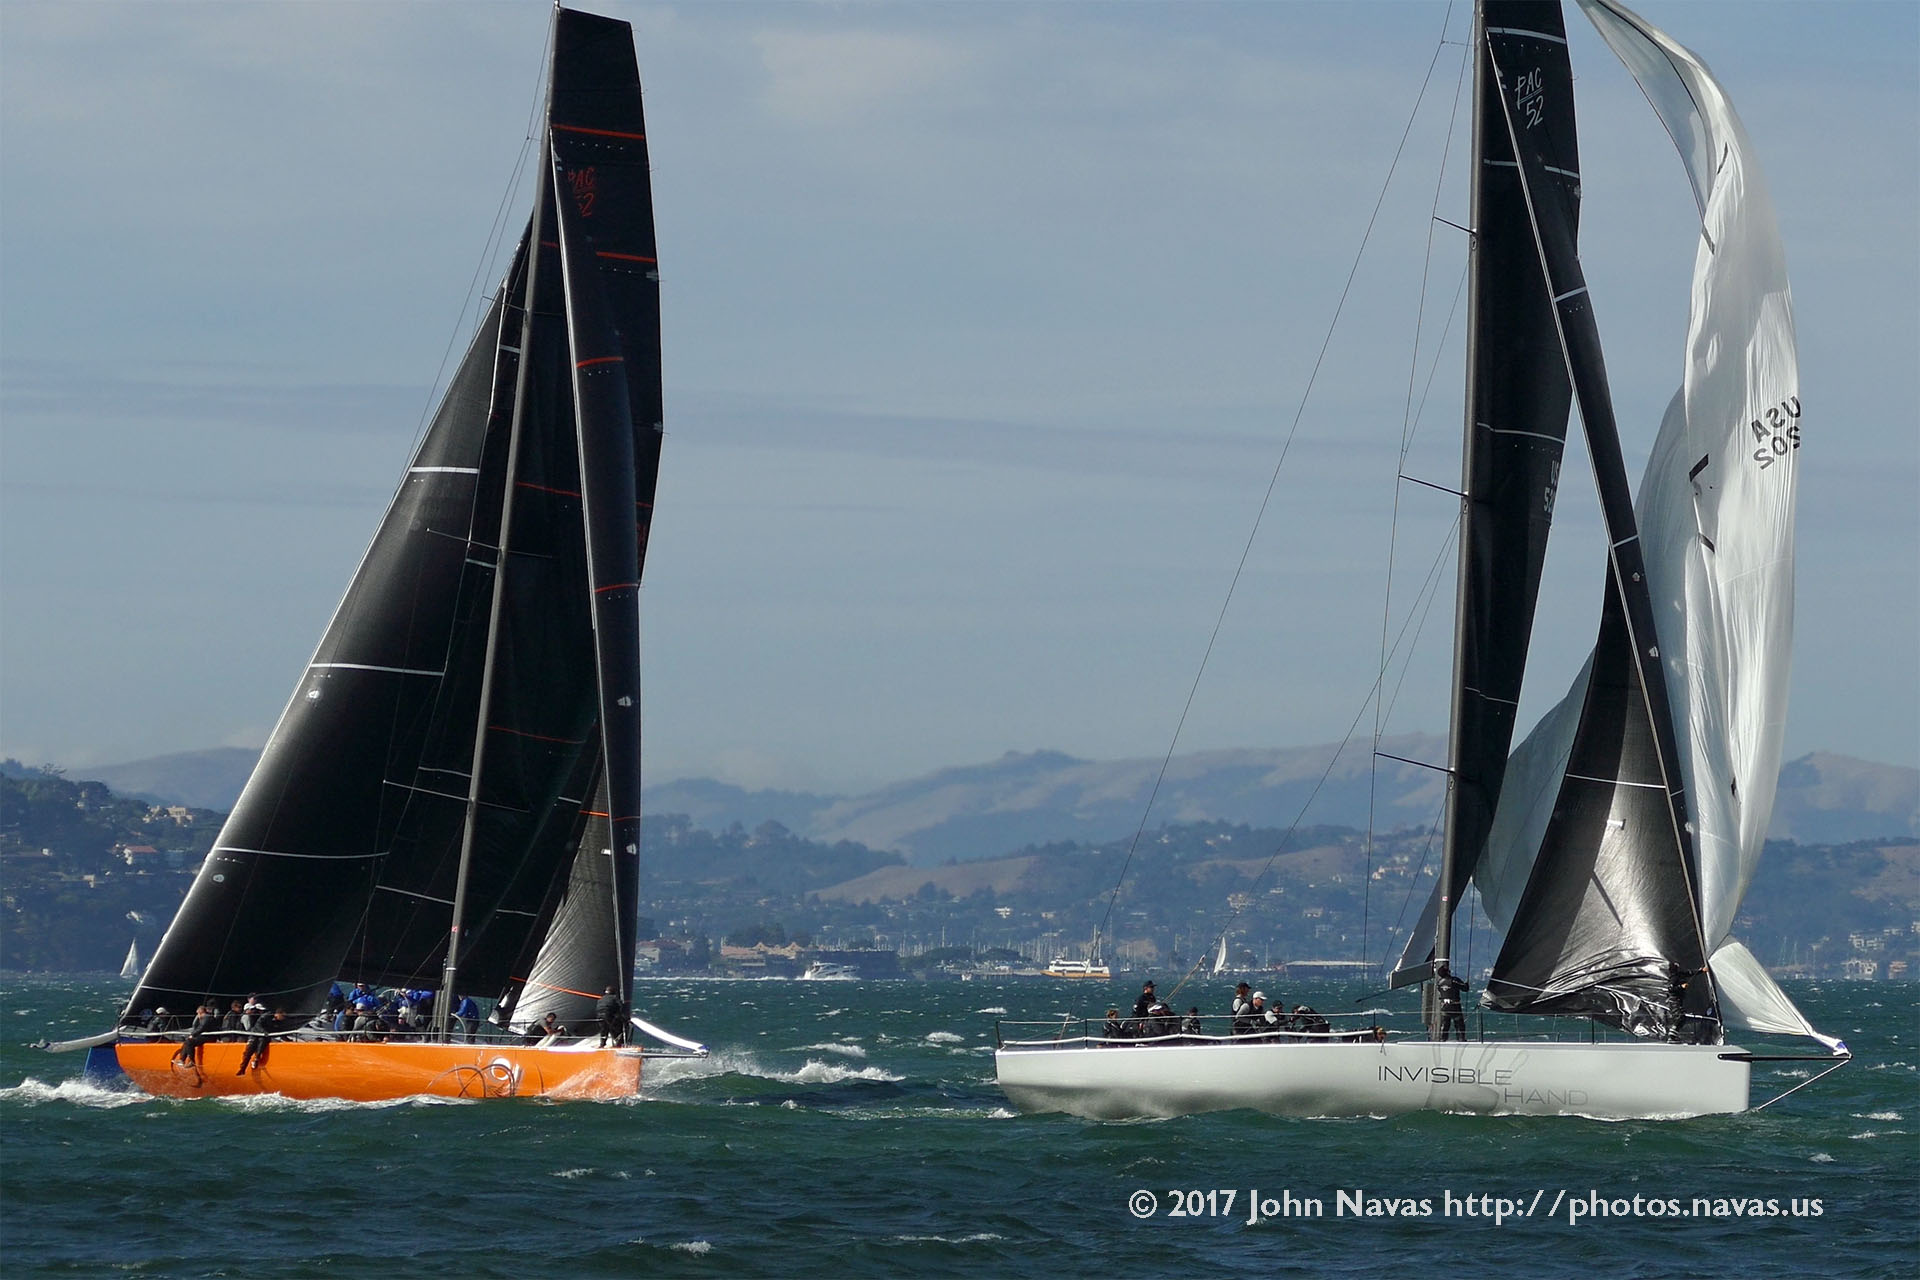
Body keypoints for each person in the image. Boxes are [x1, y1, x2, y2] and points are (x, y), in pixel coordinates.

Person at [1435, 966, 1468, 1042]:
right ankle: (1461, 1039)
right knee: (1459, 1024)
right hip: (1454, 1006)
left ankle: (1443, 1039)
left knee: (1445, 1024)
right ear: (1447, 972)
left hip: (1444, 1006)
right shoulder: (1454, 980)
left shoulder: (1439, 983)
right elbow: (1465, 988)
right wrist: (1466, 984)